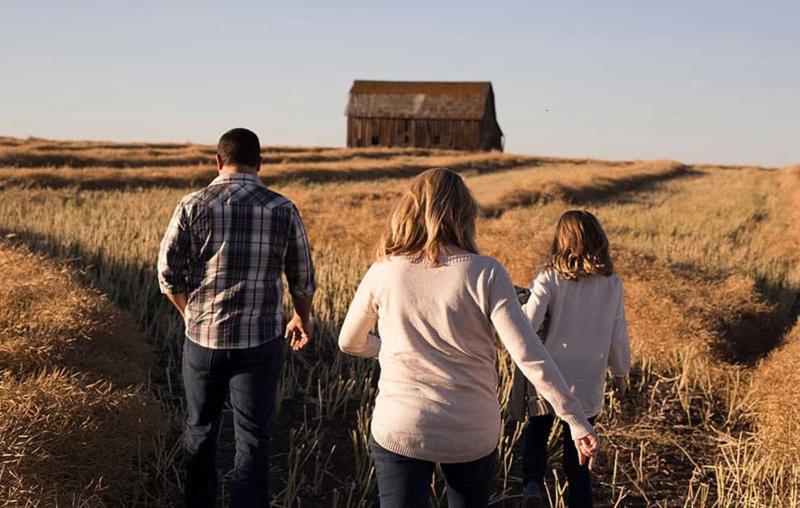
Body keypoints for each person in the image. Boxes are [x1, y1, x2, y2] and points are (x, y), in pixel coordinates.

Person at [337, 168, 598, 508]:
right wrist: (575, 420)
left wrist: (389, 348)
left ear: (410, 210)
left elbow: (349, 342)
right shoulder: (486, 272)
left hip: (401, 427)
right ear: (464, 214)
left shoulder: (383, 270)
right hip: (471, 431)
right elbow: (528, 354)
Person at [157, 128, 315, 507]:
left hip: (203, 341)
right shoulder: (282, 208)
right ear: (260, 164)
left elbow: (167, 273)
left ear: (217, 161)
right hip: (260, 343)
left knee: (200, 431)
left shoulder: (192, 204)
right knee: (254, 438)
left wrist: (189, 314)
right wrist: (301, 317)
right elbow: (302, 278)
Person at [516, 210, 631, 508]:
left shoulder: (549, 277)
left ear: (561, 240)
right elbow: (618, 332)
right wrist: (621, 373)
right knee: (579, 455)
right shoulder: (611, 283)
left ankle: (532, 484)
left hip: (550, 373)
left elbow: (527, 325)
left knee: (537, 429)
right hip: (589, 377)